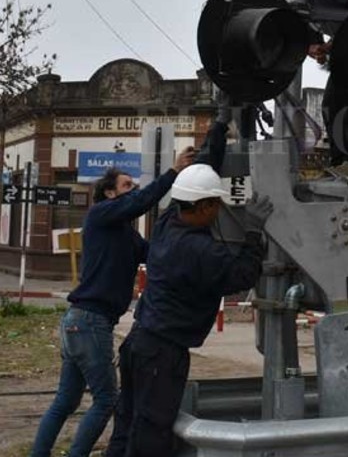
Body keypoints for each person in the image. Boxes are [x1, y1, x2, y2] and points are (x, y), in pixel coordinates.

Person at [27, 146, 198, 457]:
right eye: (125, 185)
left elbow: (157, 254)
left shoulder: (126, 235)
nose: (132, 190)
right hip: (90, 321)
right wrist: (173, 173)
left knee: (66, 401)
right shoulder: (100, 215)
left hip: (81, 322)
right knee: (107, 400)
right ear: (108, 193)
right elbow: (139, 202)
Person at [105, 164, 269, 457]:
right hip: (162, 353)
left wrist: (215, 140)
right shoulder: (200, 250)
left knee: (127, 422)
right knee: (151, 435)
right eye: (216, 203)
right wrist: (254, 232)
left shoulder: (166, 225)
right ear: (204, 207)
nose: (219, 210)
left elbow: (187, 190)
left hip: (138, 342)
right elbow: (242, 276)